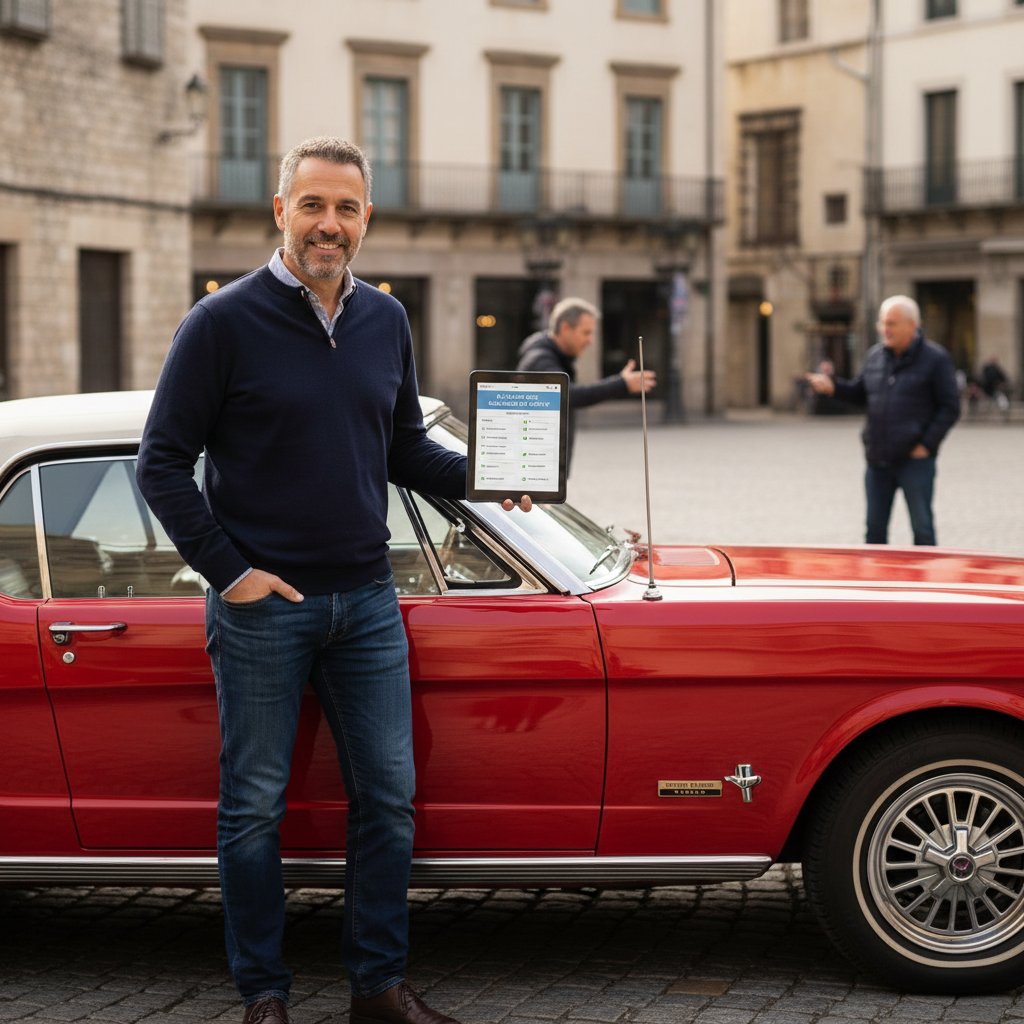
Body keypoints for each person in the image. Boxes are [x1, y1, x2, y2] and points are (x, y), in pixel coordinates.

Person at [137, 137, 530, 1024]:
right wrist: (232, 574)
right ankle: (264, 996)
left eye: (346, 208)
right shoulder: (220, 322)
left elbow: (404, 449)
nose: (329, 224)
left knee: (388, 801)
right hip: (262, 611)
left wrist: (490, 475)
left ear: (366, 220)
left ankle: (377, 989)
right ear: (281, 211)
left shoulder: (386, 319)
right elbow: (160, 463)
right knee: (252, 809)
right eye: (312, 205)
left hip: (367, 603)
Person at [806, 295, 960, 546]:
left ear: (912, 325)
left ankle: (927, 573)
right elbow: (861, 393)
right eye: (882, 323)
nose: (885, 329)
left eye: (892, 323)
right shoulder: (875, 356)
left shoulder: (936, 359)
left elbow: (950, 407)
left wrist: (927, 445)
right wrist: (833, 387)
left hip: (915, 461)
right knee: (874, 532)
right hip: (877, 460)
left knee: (922, 530)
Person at [515, 297, 655, 472]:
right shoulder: (540, 360)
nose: (590, 340)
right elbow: (568, 395)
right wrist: (621, 384)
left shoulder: (554, 356)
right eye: (586, 333)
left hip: (544, 465)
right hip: (536, 469)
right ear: (565, 328)